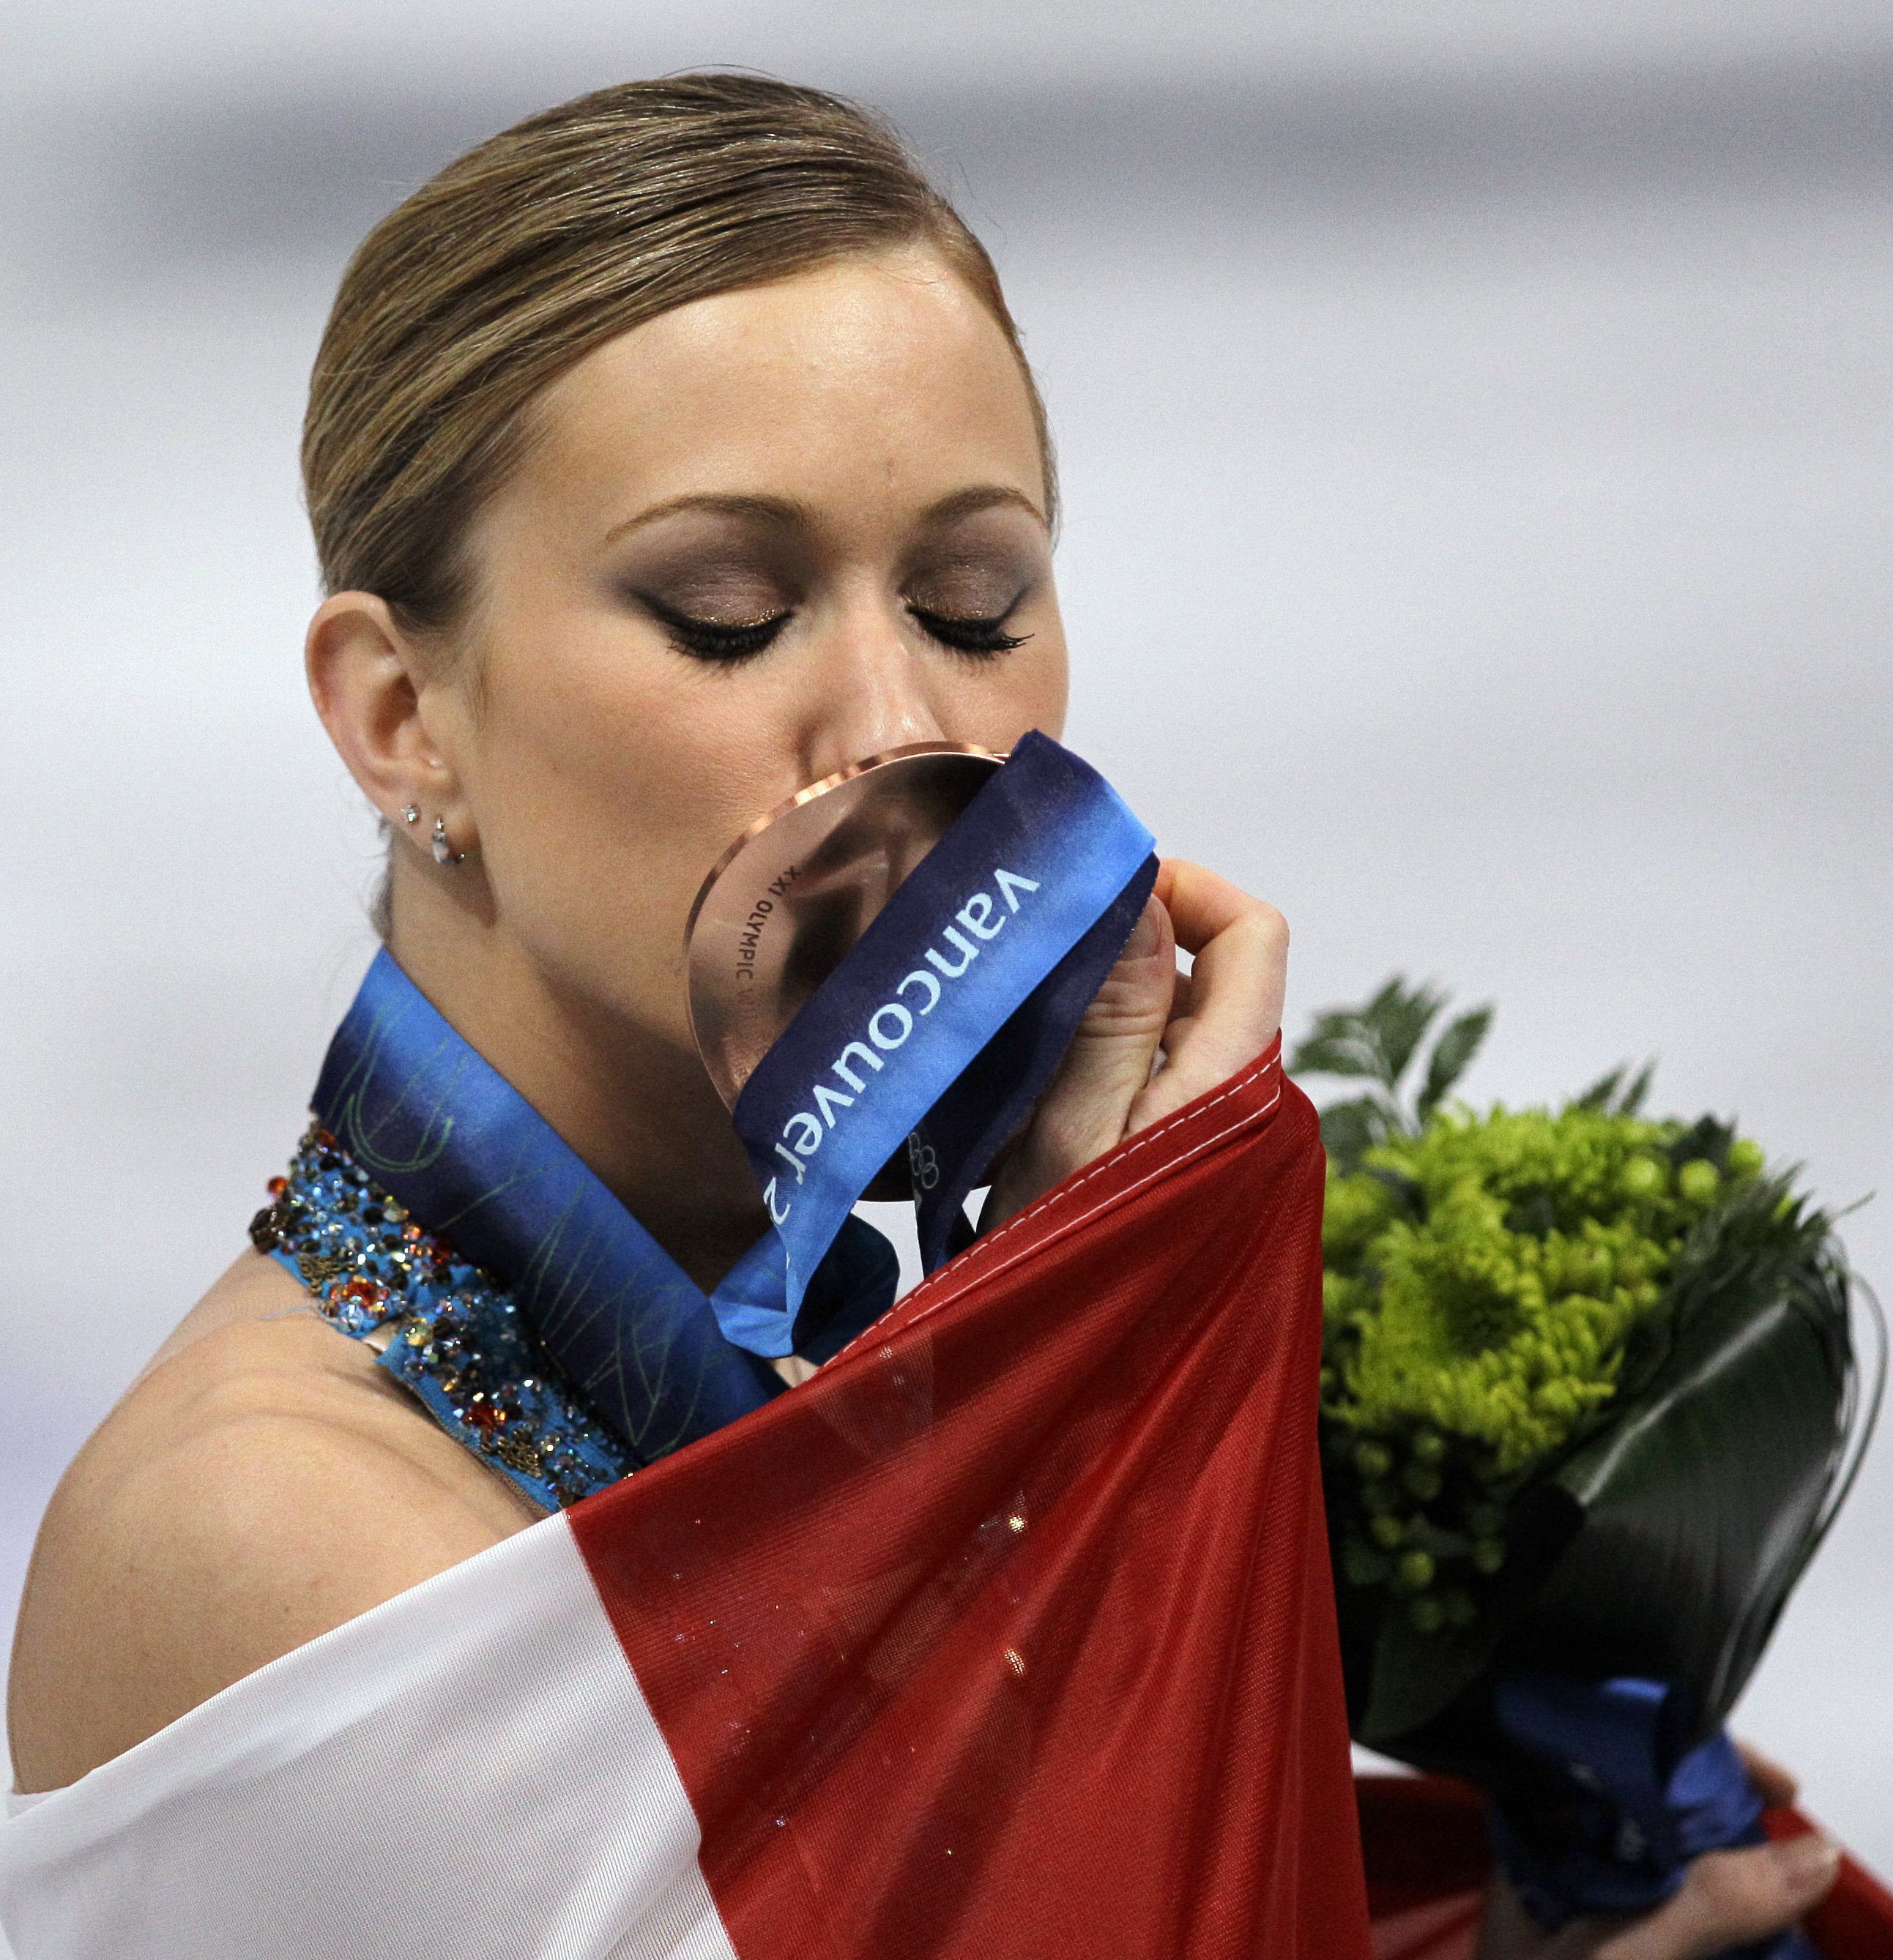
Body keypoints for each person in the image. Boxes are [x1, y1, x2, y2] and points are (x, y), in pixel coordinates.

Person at [4, 72, 1839, 1959]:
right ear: (404, 719)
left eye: (975, 604)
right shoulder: (266, 1543)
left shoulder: (893, 1318)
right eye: (728, 613)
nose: (899, 727)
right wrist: (1129, 1347)